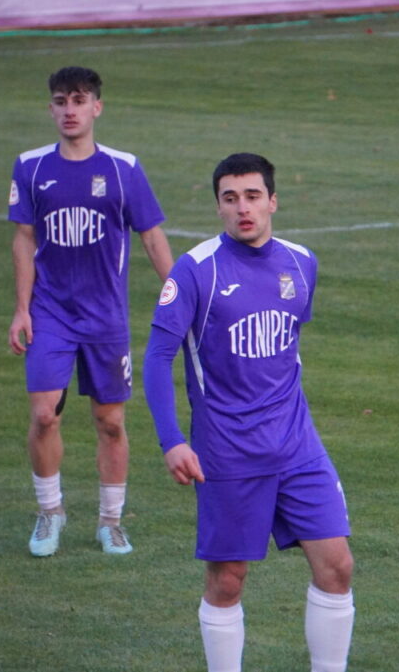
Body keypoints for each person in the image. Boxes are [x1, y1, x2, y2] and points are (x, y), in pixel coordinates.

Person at [142, 153, 355, 672]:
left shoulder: (301, 263)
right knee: (228, 580)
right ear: (218, 206)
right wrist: (172, 440)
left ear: (272, 201)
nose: (243, 208)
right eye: (231, 198)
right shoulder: (196, 271)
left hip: (297, 446)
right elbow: (157, 357)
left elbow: (289, 348)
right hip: (228, 453)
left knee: (337, 567)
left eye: (253, 196)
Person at [7, 66, 173, 558]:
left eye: (79, 100)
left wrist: (178, 295)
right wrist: (21, 309)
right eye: (61, 101)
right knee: (44, 416)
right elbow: (24, 239)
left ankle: (110, 521)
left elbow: (151, 236)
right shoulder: (30, 167)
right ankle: (50, 511)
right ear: (50, 109)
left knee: (110, 422)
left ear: (97, 107)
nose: (70, 110)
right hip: (51, 314)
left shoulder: (124, 168)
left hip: (106, 319)